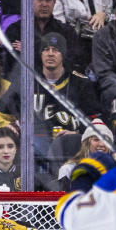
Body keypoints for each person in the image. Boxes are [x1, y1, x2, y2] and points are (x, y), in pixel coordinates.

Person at [31, 32, 101, 169]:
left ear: (63, 54)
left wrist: (78, 133)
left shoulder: (81, 83)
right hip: (37, 142)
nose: (50, 54)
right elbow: (11, 113)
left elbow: (96, 118)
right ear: (40, 54)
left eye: (56, 50)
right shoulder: (28, 81)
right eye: (46, 49)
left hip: (72, 143)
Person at [57, 119, 115, 191]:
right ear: (86, 144)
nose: (101, 144)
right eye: (96, 140)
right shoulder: (68, 169)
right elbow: (64, 199)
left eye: (105, 140)